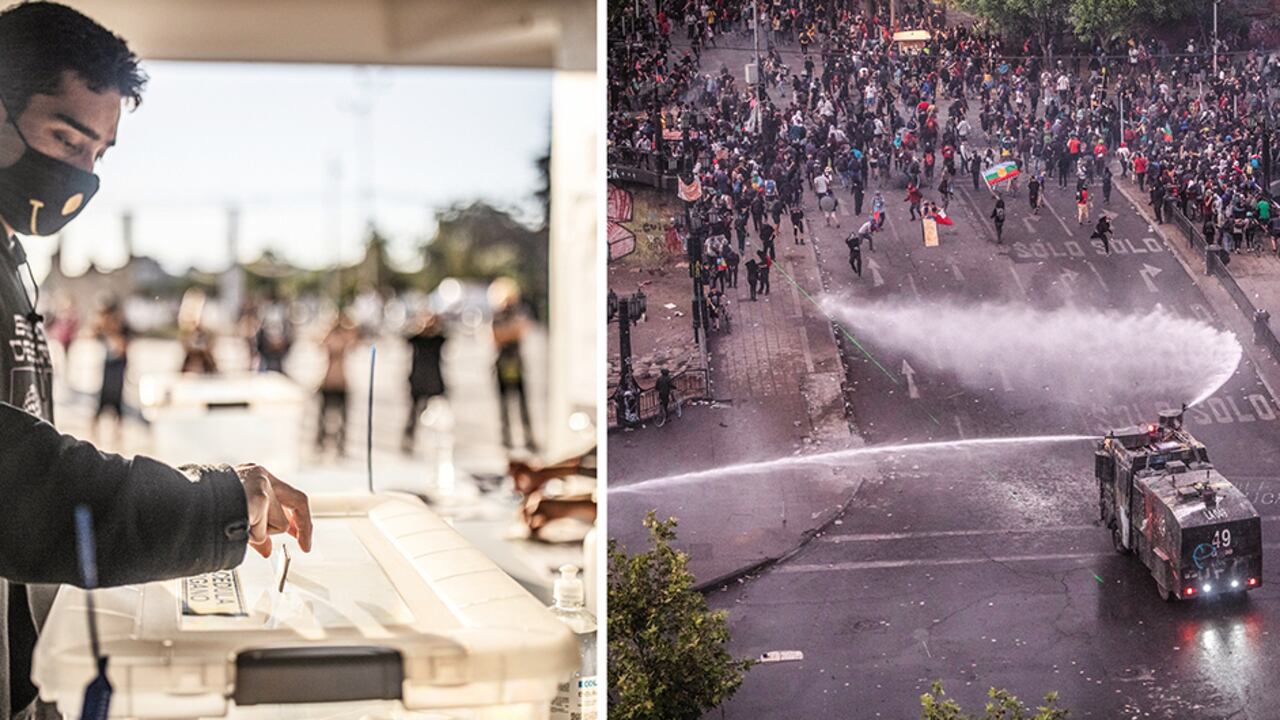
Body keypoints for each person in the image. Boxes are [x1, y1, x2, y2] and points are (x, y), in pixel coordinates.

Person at [0, 5, 311, 716]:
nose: (80, 174)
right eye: (65, 138)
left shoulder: (13, 259)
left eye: (98, 155)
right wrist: (217, 505)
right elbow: (15, 485)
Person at [489, 278, 536, 453]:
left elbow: (522, 330)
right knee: (504, 404)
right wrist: (512, 332)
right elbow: (496, 338)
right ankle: (506, 438)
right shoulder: (497, 315)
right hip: (502, 364)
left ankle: (528, 437)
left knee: (522, 403)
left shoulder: (518, 313)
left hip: (516, 363)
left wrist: (510, 332)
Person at [91, 297, 130, 446]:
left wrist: (112, 332)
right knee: (99, 407)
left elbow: (122, 349)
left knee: (118, 407)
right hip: (106, 374)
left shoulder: (122, 328)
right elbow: (89, 333)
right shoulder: (103, 329)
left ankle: (118, 438)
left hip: (117, 374)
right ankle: (95, 437)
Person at [316, 313, 356, 456]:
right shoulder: (330, 338)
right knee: (323, 418)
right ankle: (321, 443)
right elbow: (320, 342)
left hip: (341, 381)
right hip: (329, 380)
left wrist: (346, 324)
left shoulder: (345, 338)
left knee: (342, 418)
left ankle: (340, 444)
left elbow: (355, 340)